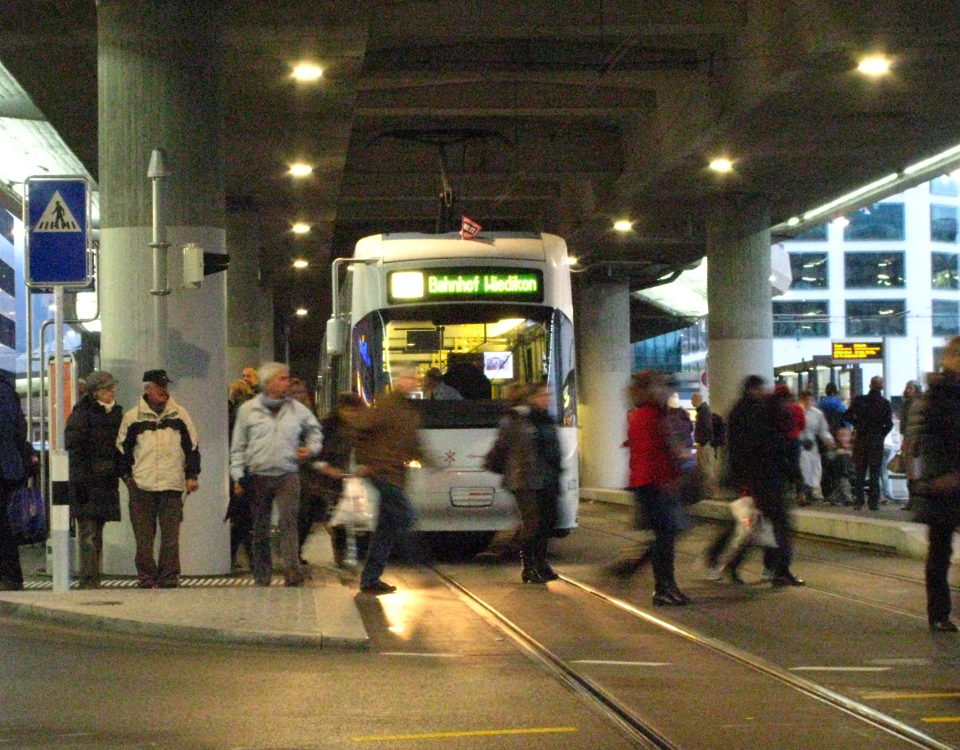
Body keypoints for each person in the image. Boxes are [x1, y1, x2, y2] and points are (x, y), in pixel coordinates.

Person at [230, 363, 322, 587]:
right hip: (259, 475)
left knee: (289, 522)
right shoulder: (248, 410)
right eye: (282, 378)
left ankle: (292, 571)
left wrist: (310, 449)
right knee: (260, 525)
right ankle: (262, 574)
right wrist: (238, 476)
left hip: (287, 473)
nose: (287, 382)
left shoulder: (297, 409)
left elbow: (315, 431)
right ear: (268, 383)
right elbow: (238, 446)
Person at [117, 370, 200, 589]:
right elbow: (121, 451)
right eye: (158, 386)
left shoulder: (180, 415)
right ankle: (146, 577)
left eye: (165, 386)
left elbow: (192, 447)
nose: (164, 391)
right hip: (141, 486)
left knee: (171, 537)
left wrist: (191, 475)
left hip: (171, 485)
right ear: (147, 389)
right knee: (143, 539)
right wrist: (129, 479)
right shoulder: (132, 418)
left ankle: (169, 577)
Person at [617, 371, 690, 605]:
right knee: (665, 539)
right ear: (650, 390)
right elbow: (658, 454)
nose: (666, 391)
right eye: (660, 387)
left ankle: (666, 585)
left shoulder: (646, 414)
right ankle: (663, 588)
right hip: (656, 484)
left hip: (652, 483)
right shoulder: (650, 416)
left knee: (665, 538)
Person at [353, 366, 428, 595]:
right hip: (382, 473)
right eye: (409, 378)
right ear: (399, 381)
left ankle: (370, 580)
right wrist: (366, 462)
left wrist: (431, 462)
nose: (414, 382)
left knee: (385, 529)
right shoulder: (385, 405)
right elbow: (361, 430)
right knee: (406, 516)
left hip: (395, 473)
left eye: (416, 379)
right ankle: (420, 561)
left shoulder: (409, 410)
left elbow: (414, 442)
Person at [499, 383, 563, 584]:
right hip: (525, 479)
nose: (548, 398)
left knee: (545, 523)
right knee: (533, 524)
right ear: (532, 397)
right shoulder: (519, 419)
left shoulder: (546, 419)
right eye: (543, 395)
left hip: (546, 478)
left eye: (549, 394)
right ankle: (529, 566)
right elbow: (506, 446)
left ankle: (541, 564)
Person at [64, 371, 123, 589]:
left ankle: (92, 577)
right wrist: (79, 481)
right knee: (89, 533)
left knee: (97, 532)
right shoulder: (81, 415)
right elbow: (74, 451)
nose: (112, 391)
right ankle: (89, 580)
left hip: (105, 482)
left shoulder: (115, 414)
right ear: (97, 392)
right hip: (87, 484)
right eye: (108, 388)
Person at [917, 337, 960, 632]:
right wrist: (939, 475)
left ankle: (940, 613)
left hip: (946, 481)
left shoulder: (936, 394)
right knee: (940, 551)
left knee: (940, 550)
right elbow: (930, 442)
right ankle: (939, 613)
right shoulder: (940, 395)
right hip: (945, 485)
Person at [312, 392, 365, 567]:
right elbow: (315, 452)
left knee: (343, 518)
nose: (351, 414)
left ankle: (344, 556)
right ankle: (341, 556)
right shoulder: (327, 427)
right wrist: (325, 467)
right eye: (348, 410)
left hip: (352, 478)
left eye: (354, 411)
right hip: (328, 480)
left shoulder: (364, 427)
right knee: (333, 518)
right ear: (340, 409)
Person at [0, 372, 35, 591]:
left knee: (3, 527)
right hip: (8, 467)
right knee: (4, 526)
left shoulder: (3, 391)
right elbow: (18, 429)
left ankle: (10, 577)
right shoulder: (6, 389)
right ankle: (11, 577)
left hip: (4, 467)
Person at [846, 375, 894, 511]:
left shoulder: (860, 400)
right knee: (875, 472)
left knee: (860, 471)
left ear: (870, 385)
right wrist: (881, 435)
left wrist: (858, 425)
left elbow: (847, 415)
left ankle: (859, 500)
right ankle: (873, 502)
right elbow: (889, 424)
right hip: (876, 441)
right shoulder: (885, 403)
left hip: (861, 439)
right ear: (882, 387)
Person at [225, 379, 255, 570]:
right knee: (245, 517)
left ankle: (236, 555)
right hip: (245, 469)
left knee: (240, 517)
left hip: (236, 468)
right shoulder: (245, 413)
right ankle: (252, 558)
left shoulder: (230, 413)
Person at [797, 390, 834, 504]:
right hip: (799, 445)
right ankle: (803, 493)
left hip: (812, 444)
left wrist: (828, 440)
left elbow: (823, 430)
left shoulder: (817, 414)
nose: (809, 402)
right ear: (801, 400)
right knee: (803, 468)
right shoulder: (796, 411)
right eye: (807, 400)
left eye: (811, 400)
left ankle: (810, 492)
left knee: (814, 469)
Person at [900, 380, 924, 510]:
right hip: (909, 440)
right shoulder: (906, 404)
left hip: (917, 441)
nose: (908, 390)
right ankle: (912, 500)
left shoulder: (921, 404)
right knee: (910, 473)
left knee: (916, 472)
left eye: (910, 388)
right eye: (907, 387)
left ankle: (916, 501)